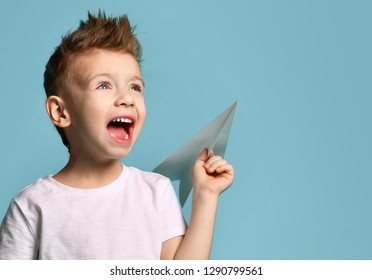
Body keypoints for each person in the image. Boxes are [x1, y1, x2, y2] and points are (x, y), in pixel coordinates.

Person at [0, 11, 234, 260]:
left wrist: (206, 196)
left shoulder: (156, 192)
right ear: (61, 111)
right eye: (104, 85)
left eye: (135, 87)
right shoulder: (31, 206)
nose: (126, 98)